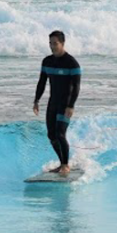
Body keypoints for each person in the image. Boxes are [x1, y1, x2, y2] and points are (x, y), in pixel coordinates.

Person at [33, 30, 81, 175]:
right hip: (52, 103)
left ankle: (65, 165)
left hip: (65, 104)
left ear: (62, 43)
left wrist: (71, 106)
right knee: (51, 136)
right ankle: (62, 163)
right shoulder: (47, 61)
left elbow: (76, 87)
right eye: (50, 43)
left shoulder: (71, 63)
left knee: (60, 134)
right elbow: (42, 82)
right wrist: (36, 100)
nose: (52, 46)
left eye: (55, 43)